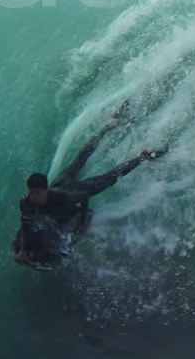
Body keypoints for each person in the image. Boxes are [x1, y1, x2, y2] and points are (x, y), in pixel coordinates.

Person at [14, 109, 165, 268]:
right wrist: (23, 249)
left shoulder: (60, 198)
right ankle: (108, 125)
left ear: (44, 190)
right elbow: (26, 222)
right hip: (61, 180)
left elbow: (84, 196)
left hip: (74, 189)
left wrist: (83, 224)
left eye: (36, 192)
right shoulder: (25, 202)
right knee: (80, 158)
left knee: (111, 177)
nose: (32, 196)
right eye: (30, 192)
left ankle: (143, 157)